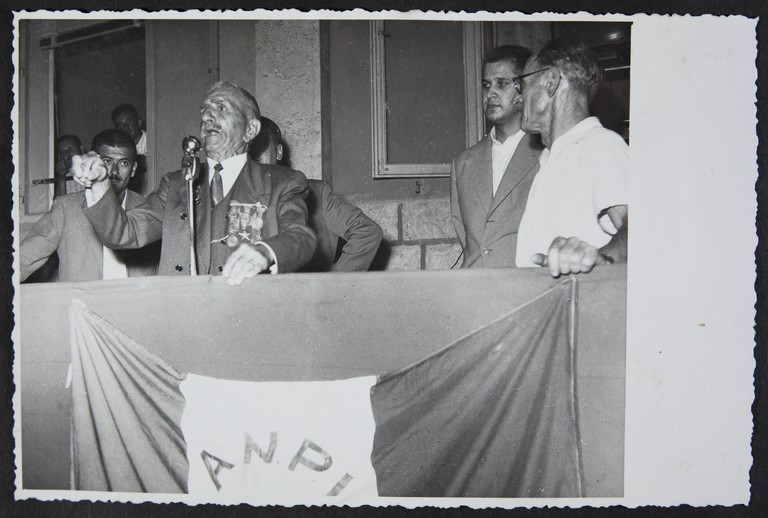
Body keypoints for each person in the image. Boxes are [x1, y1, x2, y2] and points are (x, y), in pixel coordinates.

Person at [76, 81, 316, 285]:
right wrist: (98, 185)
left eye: (221, 107)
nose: (207, 116)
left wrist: (265, 251)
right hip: (183, 314)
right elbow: (123, 233)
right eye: (205, 109)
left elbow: (301, 236)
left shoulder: (282, 182)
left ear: (251, 130)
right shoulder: (175, 183)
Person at [516, 38, 628, 277]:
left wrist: (598, 260)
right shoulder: (552, 158)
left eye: (522, 84)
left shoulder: (601, 146)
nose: (519, 97)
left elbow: (645, 230)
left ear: (551, 81)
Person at [20, 129, 159, 282]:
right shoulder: (65, 208)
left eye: (123, 163)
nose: (114, 172)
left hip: (134, 297)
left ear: (133, 169)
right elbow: (23, 258)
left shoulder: (147, 209)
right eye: (107, 162)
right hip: (81, 297)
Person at [450, 45, 544, 268]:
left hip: (526, 284)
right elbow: (467, 237)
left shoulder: (547, 154)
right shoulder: (463, 163)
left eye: (501, 84)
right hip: (476, 286)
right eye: (486, 85)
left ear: (523, 89)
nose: (490, 93)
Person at [250, 117, 382, 272]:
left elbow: (366, 232)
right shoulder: (230, 196)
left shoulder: (316, 193)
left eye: (260, 145)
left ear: (279, 152)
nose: (253, 154)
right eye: (248, 148)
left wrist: (335, 280)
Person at [112, 103, 148, 193]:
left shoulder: (152, 142)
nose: (125, 127)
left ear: (139, 123)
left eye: (129, 122)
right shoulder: (117, 149)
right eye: (120, 125)